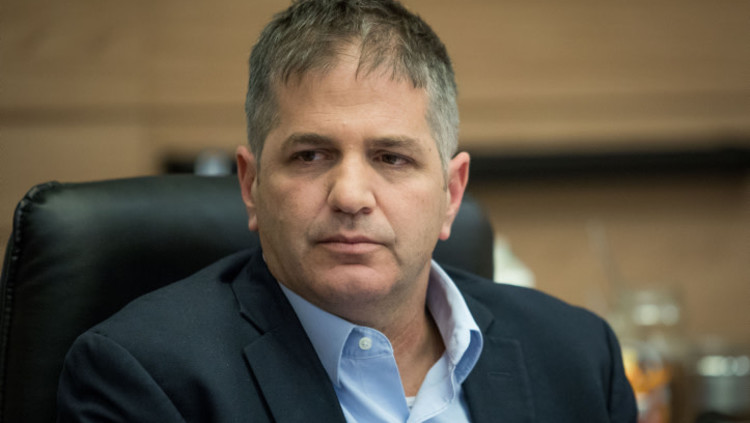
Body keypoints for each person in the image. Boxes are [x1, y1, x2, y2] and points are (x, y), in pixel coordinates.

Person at [57, 0, 637, 421]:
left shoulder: (580, 357)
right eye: (310, 155)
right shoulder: (144, 378)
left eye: (392, 158)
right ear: (251, 185)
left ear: (451, 193)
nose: (351, 196)